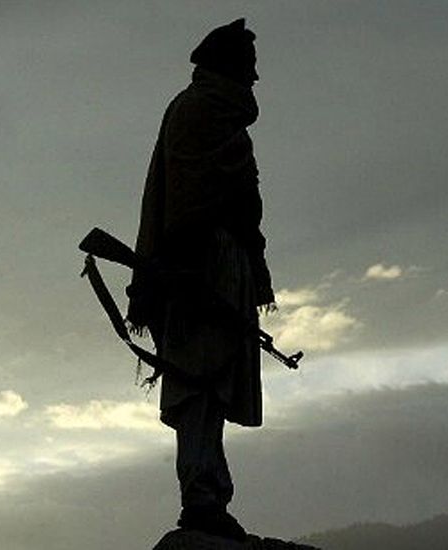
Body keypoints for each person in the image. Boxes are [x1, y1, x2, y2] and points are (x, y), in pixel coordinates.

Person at [126, 18, 274, 542]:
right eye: (248, 68)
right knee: (199, 387)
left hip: (217, 268)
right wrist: (188, 277)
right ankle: (202, 498)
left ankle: (209, 494)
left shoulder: (217, 116)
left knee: (210, 388)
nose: (254, 79)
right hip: (199, 272)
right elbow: (188, 200)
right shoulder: (198, 111)